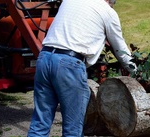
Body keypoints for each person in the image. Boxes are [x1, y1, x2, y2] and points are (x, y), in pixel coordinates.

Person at [27, 0, 136, 136]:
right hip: (69, 64)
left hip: (45, 58)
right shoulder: (108, 12)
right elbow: (121, 50)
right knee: (73, 129)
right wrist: (137, 71)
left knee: (39, 124)